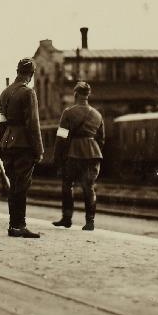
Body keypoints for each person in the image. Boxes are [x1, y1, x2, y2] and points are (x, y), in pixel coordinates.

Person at [0, 58, 43, 238]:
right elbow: (33, 123)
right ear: (31, 74)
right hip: (23, 143)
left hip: (8, 141)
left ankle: (13, 225)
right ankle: (20, 225)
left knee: (13, 185)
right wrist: (39, 149)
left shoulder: (4, 92)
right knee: (21, 186)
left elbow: (2, 122)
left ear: (18, 71)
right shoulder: (28, 93)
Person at [51, 81, 105, 231]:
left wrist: (57, 157)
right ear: (88, 95)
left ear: (76, 94)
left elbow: (61, 137)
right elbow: (101, 139)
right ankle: (90, 222)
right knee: (89, 187)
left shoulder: (68, 112)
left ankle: (67, 218)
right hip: (93, 153)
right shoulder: (97, 114)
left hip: (73, 153)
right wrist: (93, 149)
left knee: (67, 185)